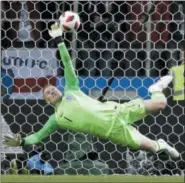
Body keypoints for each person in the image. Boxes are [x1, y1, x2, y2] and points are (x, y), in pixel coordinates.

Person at [3, 20, 180, 159]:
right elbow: (37, 136)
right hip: (113, 131)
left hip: (117, 110)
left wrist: (59, 40)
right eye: (48, 93)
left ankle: (155, 87)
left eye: (53, 89)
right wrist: (22, 141)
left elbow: (67, 64)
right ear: (47, 101)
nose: (52, 91)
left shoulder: (71, 90)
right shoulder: (56, 119)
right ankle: (161, 145)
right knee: (152, 147)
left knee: (161, 103)